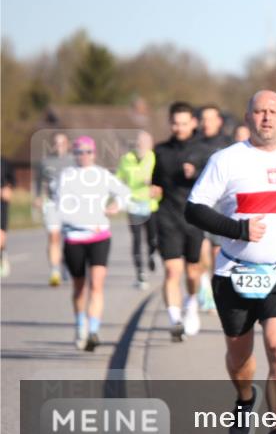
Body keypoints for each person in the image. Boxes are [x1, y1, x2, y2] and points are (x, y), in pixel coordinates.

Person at [185, 89, 276, 434]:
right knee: (239, 356)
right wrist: (238, 229)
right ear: (248, 117)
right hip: (234, 272)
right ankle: (245, 398)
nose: (266, 118)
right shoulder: (226, 160)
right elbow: (194, 209)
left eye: (273, 112)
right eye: (259, 111)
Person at [54, 136, 131, 351]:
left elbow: (124, 193)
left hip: (99, 237)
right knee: (80, 288)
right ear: (74, 154)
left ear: (94, 153)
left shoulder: (102, 175)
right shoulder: (66, 177)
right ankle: (81, 324)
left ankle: (94, 331)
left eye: (88, 151)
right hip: (74, 238)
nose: (83, 156)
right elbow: (61, 207)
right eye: (79, 152)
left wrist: (117, 205)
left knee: (97, 285)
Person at [151, 102, 211, 340]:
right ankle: (175, 319)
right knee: (171, 270)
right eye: (175, 123)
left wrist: (195, 172)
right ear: (170, 123)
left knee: (193, 272)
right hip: (167, 216)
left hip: (194, 216)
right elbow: (155, 180)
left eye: (184, 123)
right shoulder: (161, 151)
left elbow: (214, 180)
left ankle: (192, 304)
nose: (179, 127)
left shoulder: (204, 150)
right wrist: (153, 189)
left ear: (193, 123)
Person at [196, 104, 234, 311]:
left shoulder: (228, 146)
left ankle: (214, 290)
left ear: (219, 121)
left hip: (222, 209)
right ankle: (204, 289)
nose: (206, 122)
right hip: (201, 207)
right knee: (201, 254)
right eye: (203, 118)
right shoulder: (194, 144)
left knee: (216, 254)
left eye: (210, 118)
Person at [115, 131, 159, 289]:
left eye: (145, 142)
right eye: (139, 142)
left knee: (152, 239)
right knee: (136, 239)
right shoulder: (126, 159)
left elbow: (162, 179)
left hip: (151, 204)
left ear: (150, 144)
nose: (141, 145)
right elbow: (118, 180)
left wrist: (156, 185)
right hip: (133, 204)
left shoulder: (154, 157)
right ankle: (140, 273)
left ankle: (152, 254)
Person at [35, 132, 74, 286]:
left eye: (62, 143)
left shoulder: (74, 161)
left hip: (70, 205)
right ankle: (55, 270)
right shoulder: (45, 162)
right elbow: (39, 182)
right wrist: (38, 196)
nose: (59, 146)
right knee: (53, 237)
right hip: (52, 204)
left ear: (67, 144)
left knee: (69, 240)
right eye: (56, 143)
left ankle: (65, 264)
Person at [0, 156, 14, 277]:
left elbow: (12, 180)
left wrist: (8, 188)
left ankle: (2, 255)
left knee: (0, 235)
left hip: (1, 203)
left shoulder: (3, 162)